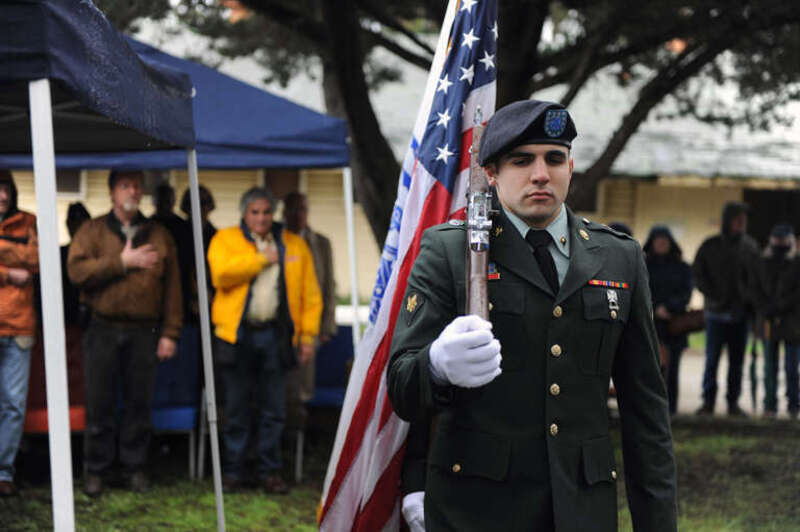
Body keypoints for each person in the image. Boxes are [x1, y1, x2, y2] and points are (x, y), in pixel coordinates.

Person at [387, 100, 677, 531]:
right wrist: (436, 366)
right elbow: (402, 386)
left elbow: (646, 413)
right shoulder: (451, 251)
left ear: (571, 166)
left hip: (582, 509)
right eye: (522, 161)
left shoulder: (619, 257)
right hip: (480, 509)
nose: (541, 174)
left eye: (554, 159)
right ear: (491, 173)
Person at [68, 170, 182, 496]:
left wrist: (170, 333)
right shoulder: (91, 231)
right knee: (99, 401)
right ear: (112, 192)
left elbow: (173, 288)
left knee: (138, 404)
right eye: (124, 186)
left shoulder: (158, 235)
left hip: (145, 331)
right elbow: (76, 271)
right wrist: (122, 262)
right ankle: (96, 470)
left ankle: (134, 468)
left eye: (136, 185)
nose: (132, 191)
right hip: (101, 327)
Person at [207, 187, 321, 494]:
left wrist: (307, 336)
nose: (260, 218)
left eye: (266, 212)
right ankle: (233, 471)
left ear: (274, 214)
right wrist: (260, 260)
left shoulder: (293, 244)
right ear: (244, 214)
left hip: (276, 336)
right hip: (237, 336)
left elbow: (310, 295)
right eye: (254, 212)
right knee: (237, 407)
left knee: (274, 407)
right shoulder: (225, 239)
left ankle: (269, 471)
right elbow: (220, 274)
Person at [692, 201, 759, 416]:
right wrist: (714, 296)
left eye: (744, 220)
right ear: (728, 221)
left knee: (737, 363)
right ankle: (708, 402)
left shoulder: (750, 247)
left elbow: (757, 278)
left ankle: (733, 403)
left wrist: (749, 300)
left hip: (741, 315)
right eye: (738, 219)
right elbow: (698, 275)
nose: (742, 223)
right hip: (716, 314)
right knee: (712, 360)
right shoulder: (710, 246)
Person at [283, 192, 337, 427]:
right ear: (284, 213)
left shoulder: (321, 243)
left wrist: (326, 326)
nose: (298, 215)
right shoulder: (275, 239)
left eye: (302, 209)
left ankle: (297, 439)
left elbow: (328, 287)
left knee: (303, 385)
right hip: (280, 324)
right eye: (293, 209)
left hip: (309, 325)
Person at [0, 170, 38, 497]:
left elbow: (36, 259)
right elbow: (22, 262)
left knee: (13, 403)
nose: (1, 196)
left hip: (19, 327)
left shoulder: (30, 222)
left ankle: (3, 472)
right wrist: (9, 272)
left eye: (5, 189)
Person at [748, 224, 800, 419]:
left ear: (790, 241)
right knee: (769, 366)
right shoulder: (761, 262)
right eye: (777, 240)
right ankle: (770, 405)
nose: (780, 243)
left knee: (792, 367)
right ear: (771, 240)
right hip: (768, 321)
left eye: (784, 240)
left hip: (793, 324)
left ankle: (794, 405)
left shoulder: (797, 263)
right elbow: (753, 288)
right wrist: (764, 308)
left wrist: (781, 307)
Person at [644, 225, 693, 415]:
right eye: (658, 240)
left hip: (674, 326)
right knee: (649, 369)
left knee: (672, 370)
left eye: (665, 241)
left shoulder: (682, 267)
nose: (661, 244)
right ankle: (649, 409)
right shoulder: (642, 265)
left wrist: (669, 307)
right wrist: (655, 308)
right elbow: (639, 291)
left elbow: (686, 293)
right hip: (649, 325)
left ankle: (670, 410)